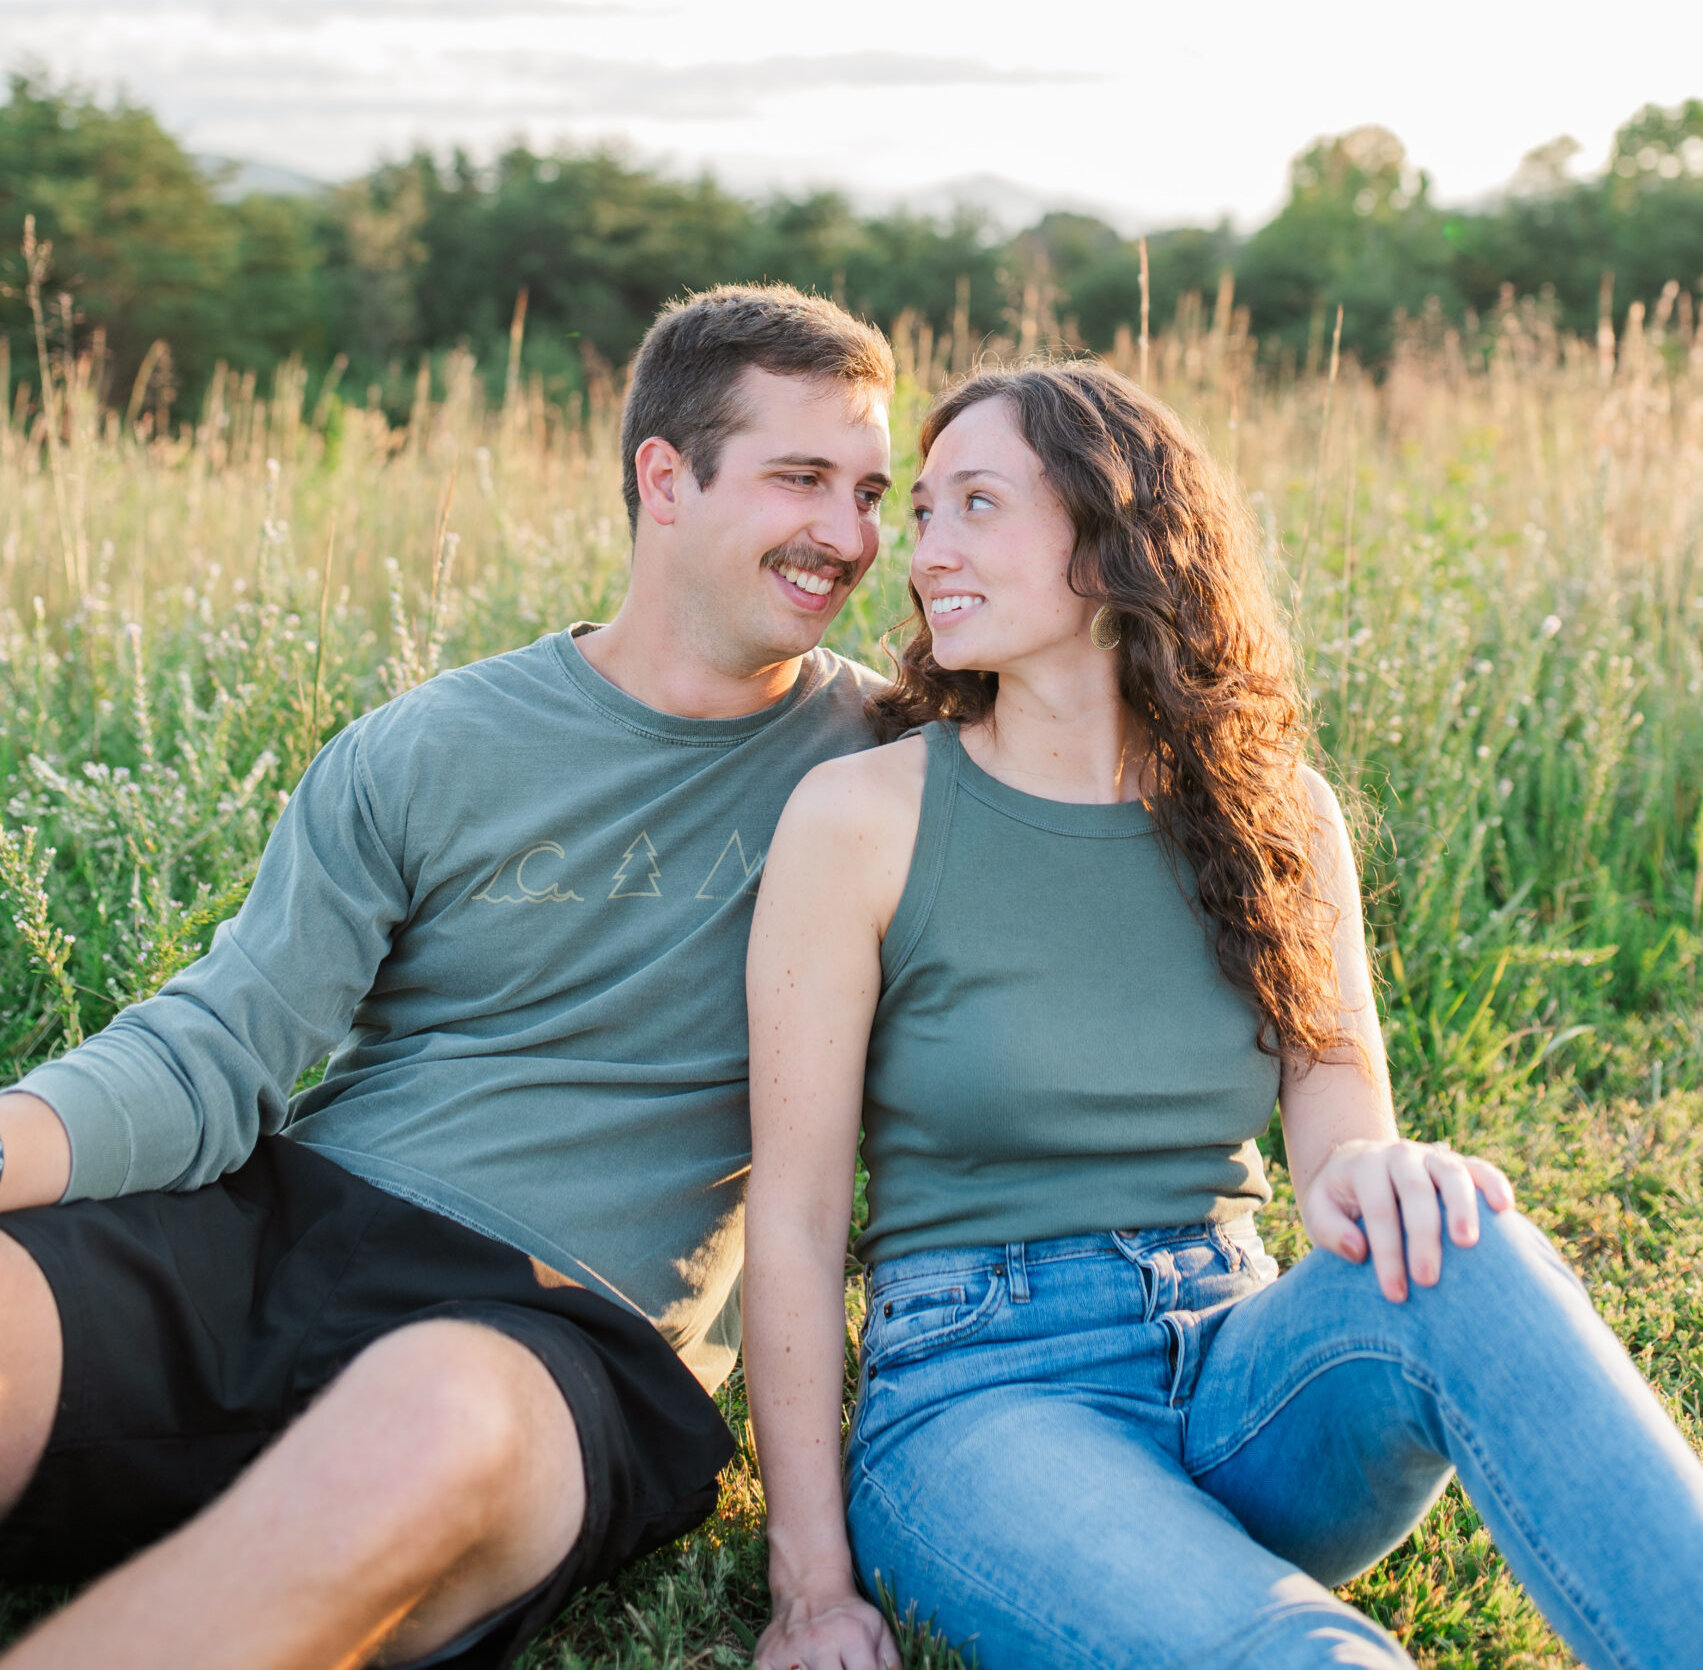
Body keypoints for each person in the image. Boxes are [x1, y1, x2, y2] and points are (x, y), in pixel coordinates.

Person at [744, 359, 1703, 1670]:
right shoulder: (864, 820)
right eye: (923, 514)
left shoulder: (1277, 812)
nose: (924, 555)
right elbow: (792, 1222)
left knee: (1473, 1241)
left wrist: (1388, 1182)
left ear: (1116, 531)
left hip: (1243, 1367)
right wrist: (811, 1588)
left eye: (976, 505)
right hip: (985, 1402)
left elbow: (1339, 1116)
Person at [0, 284, 896, 1670]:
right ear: (666, 478)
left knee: (430, 1422)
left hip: (556, 1332)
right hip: (280, 1240)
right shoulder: (428, 745)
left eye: (870, 491)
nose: (851, 539)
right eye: (802, 480)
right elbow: (219, 1045)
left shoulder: (894, 769)